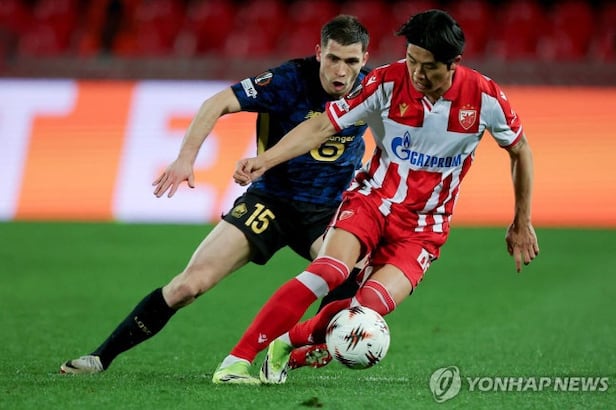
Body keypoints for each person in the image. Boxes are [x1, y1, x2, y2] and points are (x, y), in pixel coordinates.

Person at [216, 9, 540, 385]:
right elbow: (322, 126)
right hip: (372, 201)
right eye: (412, 60)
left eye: (429, 67)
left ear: (454, 63)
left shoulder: (484, 97)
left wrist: (521, 220)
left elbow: (520, 151)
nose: (417, 73)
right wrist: (266, 159)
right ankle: (236, 361)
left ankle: (286, 345)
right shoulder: (386, 82)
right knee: (328, 271)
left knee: (365, 311)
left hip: (424, 227)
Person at [59, 15, 371, 384]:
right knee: (188, 286)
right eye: (333, 58)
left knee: (352, 273)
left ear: (364, 60)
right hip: (271, 201)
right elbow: (216, 102)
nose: (340, 71)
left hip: (329, 210)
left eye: (351, 61)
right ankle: (100, 357)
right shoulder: (288, 79)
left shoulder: (373, 88)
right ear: (319, 53)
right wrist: (185, 158)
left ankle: (302, 347)